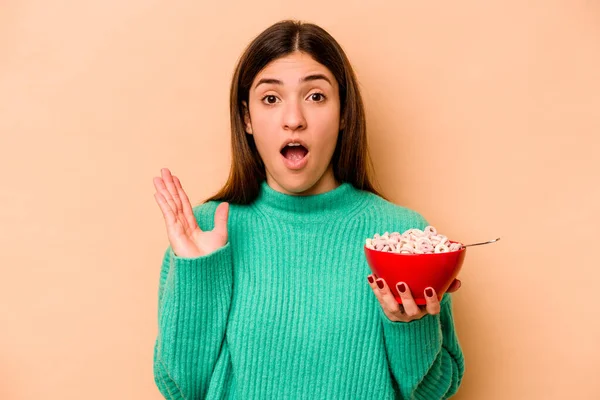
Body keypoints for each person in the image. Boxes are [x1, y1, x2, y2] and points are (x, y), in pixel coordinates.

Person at [152, 19, 464, 399]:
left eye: (316, 96)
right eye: (270, 98)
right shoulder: (202, 232)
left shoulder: (401, 238)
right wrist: (198, 279)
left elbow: (437, 389)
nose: (294, 119)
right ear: (246, 118)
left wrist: (410, 325)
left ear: (344, 113)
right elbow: (181, 390)